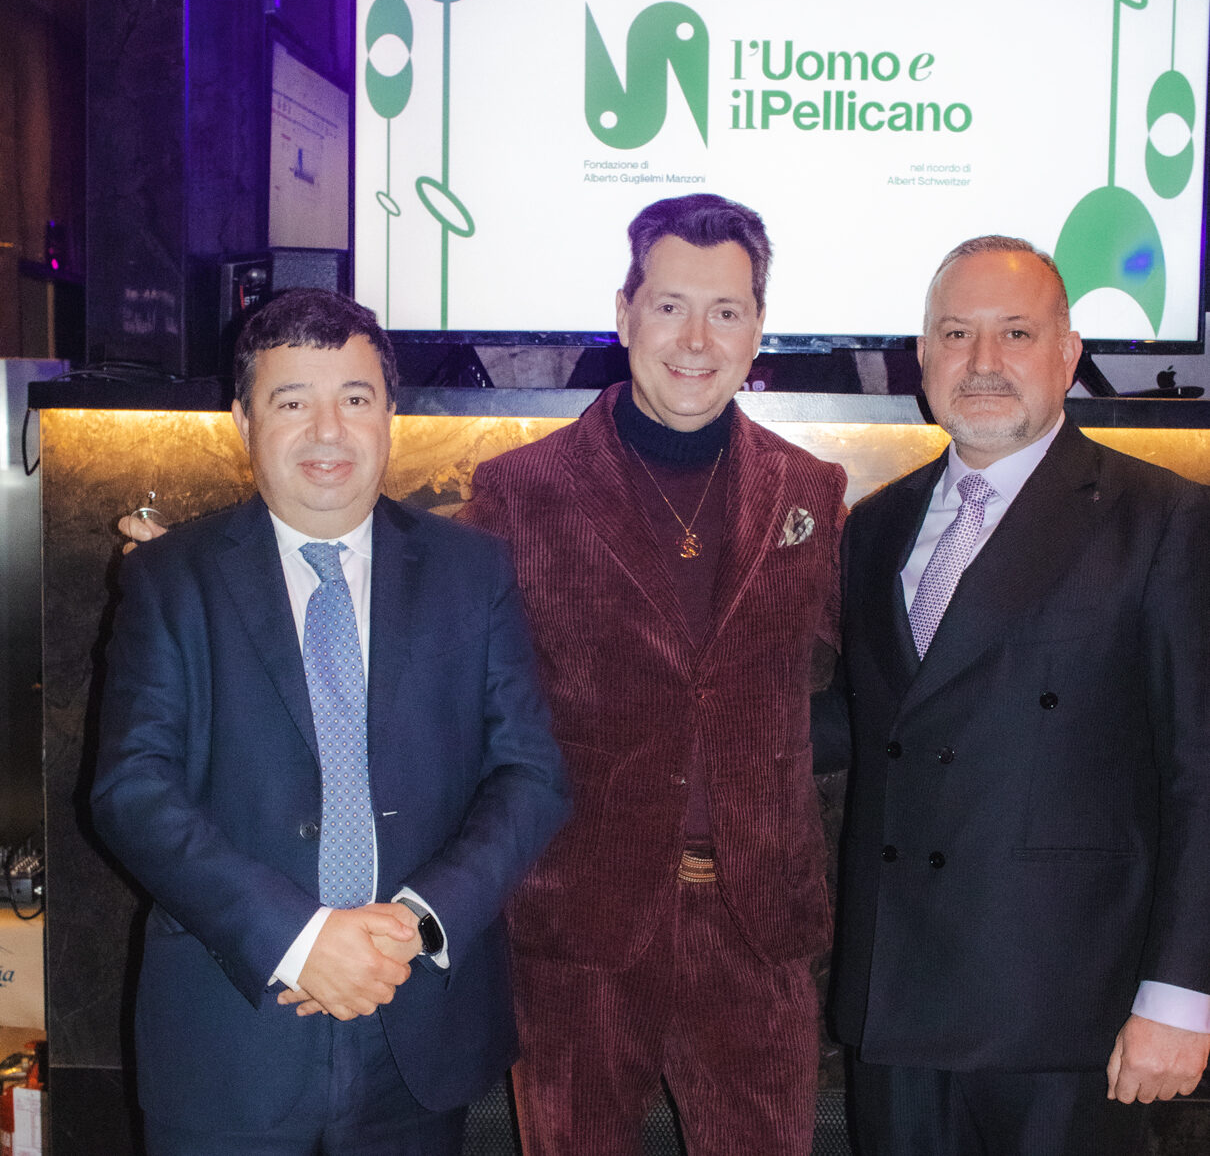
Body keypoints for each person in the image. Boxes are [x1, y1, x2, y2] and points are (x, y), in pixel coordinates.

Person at [92, 289, 569, 1155]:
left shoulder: (473, 572)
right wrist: (301, 939)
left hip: (416, 1023)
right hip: (230, 1032)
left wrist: (414, 924)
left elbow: (530, 773)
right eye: (292, 402)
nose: (328, 430)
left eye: (354, 397)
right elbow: (132, 789)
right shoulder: (171, 579)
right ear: (243, 421)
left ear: (390, 413)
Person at [458, 194, 847, 1154]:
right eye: (670, 305)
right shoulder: (520, 493)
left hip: (757, 926)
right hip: (579, 929)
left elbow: (859, 680)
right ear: (624, 312)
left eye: (726, 311)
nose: (696, 339)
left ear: (758, 327)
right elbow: (460, 693)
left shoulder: (811, 492)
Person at [827, 236, 1210, 1155]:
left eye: (1016, 333)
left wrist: (1180, 995)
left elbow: (1200, 769)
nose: (984, 361)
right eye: (957, 333)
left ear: (1068, 354)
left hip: (1070, 1015)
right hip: (895, 1002)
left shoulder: (1162, 519)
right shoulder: (876, 524)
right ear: (923, 357)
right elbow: (867, 723)